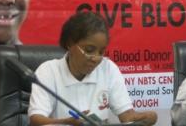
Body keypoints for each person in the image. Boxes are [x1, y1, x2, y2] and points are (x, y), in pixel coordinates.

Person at [28, 11, 158, 126]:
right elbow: (36, 120)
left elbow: (127, 117)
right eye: (89, 50)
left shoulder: (108, 69)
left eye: (101, 52)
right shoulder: (48, 71)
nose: (96, 58)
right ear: (70, 44)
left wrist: (144, 117)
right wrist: (66, 123)